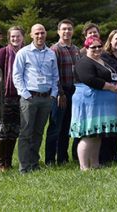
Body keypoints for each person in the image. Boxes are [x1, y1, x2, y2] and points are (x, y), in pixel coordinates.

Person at [12, 23, 59, 173]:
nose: (40, 36)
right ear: (31, 35)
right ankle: (24, 167)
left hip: (46, 99)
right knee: (26, 132)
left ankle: (34, 164)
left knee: (38, 132)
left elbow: (55, 76)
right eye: (37, 33)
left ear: (46, 34)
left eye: (42, 33)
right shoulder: (23, 53)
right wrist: (25, 94)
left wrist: (53, 95)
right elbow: (17, 76)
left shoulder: (51, 53)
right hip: (29, 98)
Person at [70, 36, 117, 170]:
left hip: (101, 104)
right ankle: (84, 166)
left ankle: (95, 163)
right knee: (88, 135)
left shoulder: (102, 61)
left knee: (97, 135)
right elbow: (90, 79)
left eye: (99, 46)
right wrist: (110, 87)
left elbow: (114, 74)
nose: (97, 49)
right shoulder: (84, 62)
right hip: (89, 103)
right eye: (93, 47)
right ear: (86, 48)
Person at [45, 19, 80, 166]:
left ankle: (62, 158)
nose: (67, 32)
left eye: (69, 29)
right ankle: (50, 160)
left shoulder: (76, 49)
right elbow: (54, 74)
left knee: (67, 127)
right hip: (60, 92)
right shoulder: (55, 49)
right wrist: (60, 93)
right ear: (59, 31)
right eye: (64, 29)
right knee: (55, 126)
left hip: (74, 91)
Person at [0, 26, 24, 171]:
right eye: (12, 37)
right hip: (5, 98)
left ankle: (8, 162)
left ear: (23, 37)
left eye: (18, 36)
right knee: (2, 131)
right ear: (8, 38)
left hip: (22, 98)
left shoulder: (26, 52)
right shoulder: (3, 52)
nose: (15, 39)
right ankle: (1, 164)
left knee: (14, 131)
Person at [99, 29, 117, 164]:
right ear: (110, 40)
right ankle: (104, 156)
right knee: (108, 126)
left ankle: (113, 154)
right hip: (109, 96)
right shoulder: (104, 56)